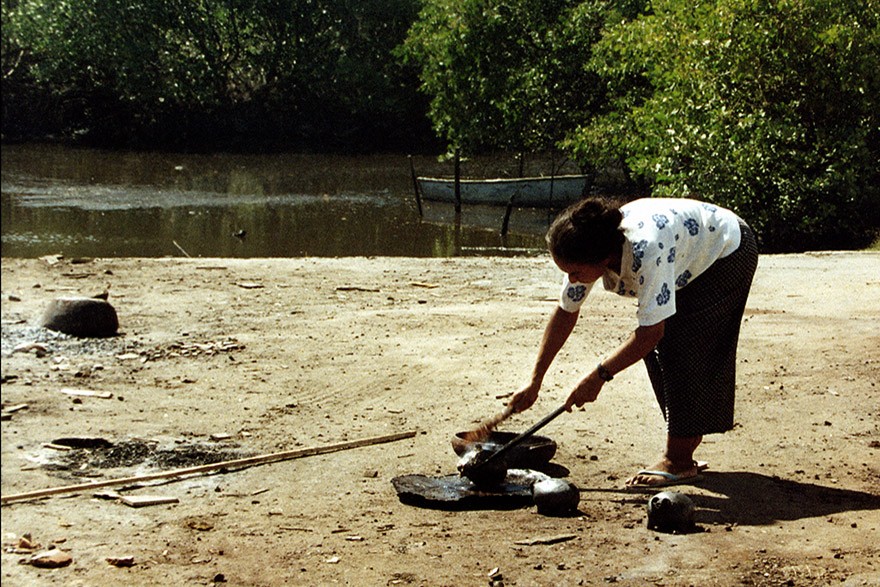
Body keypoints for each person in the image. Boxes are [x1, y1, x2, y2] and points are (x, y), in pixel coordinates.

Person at [508, 196, 758, 488]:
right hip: (687, 255)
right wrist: (534, 381)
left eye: (575, 272)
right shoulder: (589, 249)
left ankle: (678, 459)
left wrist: (599, 376)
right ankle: (685, 443)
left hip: (725, 251)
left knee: (680, 348)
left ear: (602, 259)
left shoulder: (646, 249)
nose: (572, 279)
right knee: (661, 350)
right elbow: (566, 311)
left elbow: (651, 333)